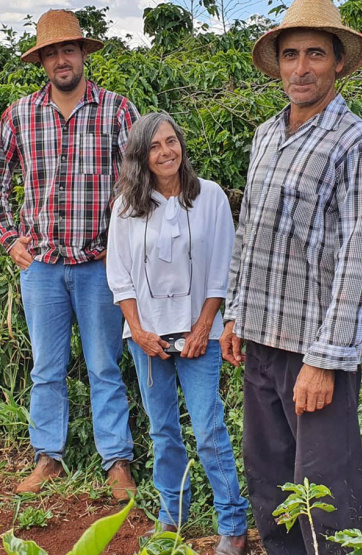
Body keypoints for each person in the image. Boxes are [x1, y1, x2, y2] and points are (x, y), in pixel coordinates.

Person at [220, 0, 362, 552]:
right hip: (261, 345)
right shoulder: (266, 135)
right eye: (290, 55)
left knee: (325, 498)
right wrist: (235, 314)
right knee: (270, 487)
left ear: (338, 63)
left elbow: (359, 259)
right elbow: (250, 233)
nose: (301, 68)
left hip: (313, 355)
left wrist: (325, 361)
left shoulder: (358, 145)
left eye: (315, 54)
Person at [0, 9, 139, 499]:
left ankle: (117, 463)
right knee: (46, 368)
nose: (61, 59)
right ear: (42, 62)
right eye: (51, 53)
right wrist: (11, 240)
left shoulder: (117, 110)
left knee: (104, 367)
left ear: (83, 54)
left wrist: (126, 245)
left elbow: (142, 182)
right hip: (43, 268)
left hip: (99, 267)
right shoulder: (19, 115)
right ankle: (48, 457)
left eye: (68, 49)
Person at [106, 112, 249, 555]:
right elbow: (120, 275)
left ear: (181, 145)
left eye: (171, 142)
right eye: (154, 146)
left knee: (208, 427)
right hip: (147, 339)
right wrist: (138, 330)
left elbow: (223, 268)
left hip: (198, 337)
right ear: (141, 156)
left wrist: (206, 325)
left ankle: (233, 523)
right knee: (163, 429)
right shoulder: (127, 205)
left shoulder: (209, 197)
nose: (166, 152)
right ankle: (172, 517)